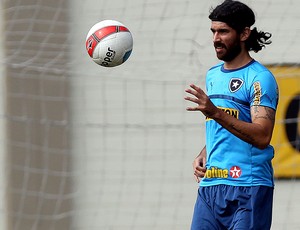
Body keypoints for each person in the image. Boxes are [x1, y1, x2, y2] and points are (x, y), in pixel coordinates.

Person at [184, 0, 279, 229]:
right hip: (211, 185)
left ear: (244, 33)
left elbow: (262, 136)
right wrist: (205, 151)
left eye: (223, 31)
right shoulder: (213, 75)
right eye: (213, 31)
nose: (216, 38)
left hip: (248, 185)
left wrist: (215, 112)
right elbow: (225, 126)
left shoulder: (259, 78)